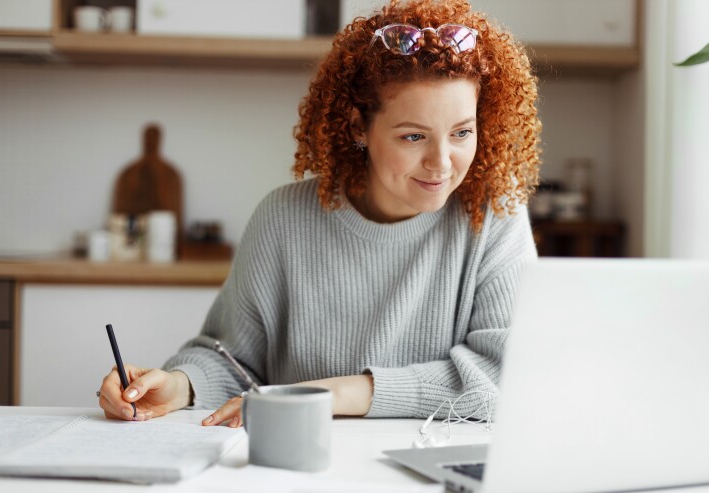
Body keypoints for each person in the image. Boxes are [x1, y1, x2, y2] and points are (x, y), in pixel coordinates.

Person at [98, 0, 541, 427]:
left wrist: (342, 394)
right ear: (356, 127)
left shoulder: (495, 216)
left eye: (462, 132)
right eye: (413, 137)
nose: (442, 162)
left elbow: (512, 374)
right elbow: (232, 358)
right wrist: (181, 385)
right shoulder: (283, 219)